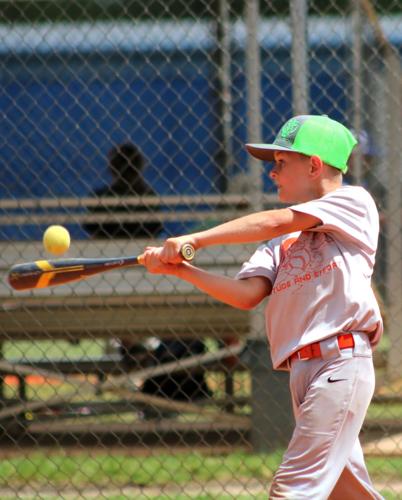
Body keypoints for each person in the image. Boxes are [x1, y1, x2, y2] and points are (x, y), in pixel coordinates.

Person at [141, 115, 384, 499]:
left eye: (282, 163)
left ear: (315, 165)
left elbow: (273, 220)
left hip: (340, 363)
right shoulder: (281, 241)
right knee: (347, 493)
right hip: (303, 371)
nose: (272, 172)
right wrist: (181, 270)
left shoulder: (354, 202)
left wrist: (196, 239)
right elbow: (247, 294)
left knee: (292, 488)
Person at [85, 142, 211, 406]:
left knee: (124, 292)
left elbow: (95, 235)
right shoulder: (145, 195)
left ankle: (137, 354)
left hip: (108, 288)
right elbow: (151, 236)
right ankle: (139, 356)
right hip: (145, 283)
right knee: (142, 288)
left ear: (111, 168)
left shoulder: (106, 197)